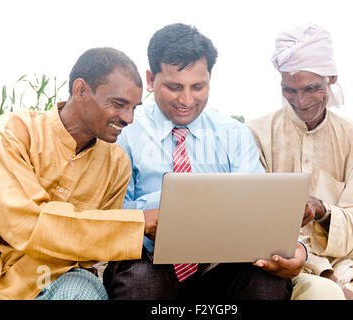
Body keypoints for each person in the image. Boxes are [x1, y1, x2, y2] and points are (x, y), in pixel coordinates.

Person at [102, 23, 337, 301]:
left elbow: (262, 211)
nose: (186, 100)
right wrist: (152, 213)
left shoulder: (233, 135)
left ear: (210, 78)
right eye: (174, 87)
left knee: (265, 282)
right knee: (142, 281)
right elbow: (109, 210)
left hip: (219, 265)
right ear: (151, 79)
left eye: (198, 86)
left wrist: (296, 251)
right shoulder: (125, 133)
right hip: (146, 260)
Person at [246, 24, 353, 300]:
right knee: (324, 294)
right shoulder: (256, 134)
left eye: (311, 88)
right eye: (289, 90)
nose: (300, 101)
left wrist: (323, 210)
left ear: (332, 79)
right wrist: (326, 275)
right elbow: (256, 226)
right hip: (296, 270)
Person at [0, 47, 158, 300]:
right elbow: (26, 225)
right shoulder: (12, 132)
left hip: (62, 270)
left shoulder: (117, 163)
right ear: (80, 90)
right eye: (118, 104)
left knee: (82, 294)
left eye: (134, 108)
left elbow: (98, 246)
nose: (129, 118)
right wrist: (138, 223)